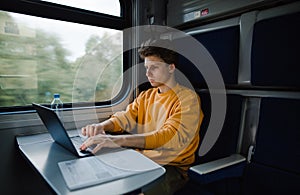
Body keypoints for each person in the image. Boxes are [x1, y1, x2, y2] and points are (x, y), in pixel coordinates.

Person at [80, 39, 204, 194]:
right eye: (146, 68)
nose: (148, 73)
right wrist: (102, 126)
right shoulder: (146, 96)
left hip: (170, 167)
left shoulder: (188, 98)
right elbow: (124, 118)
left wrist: (116, 140)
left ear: (171, 68)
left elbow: (168, 137)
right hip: (141, 158)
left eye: (154, 68)